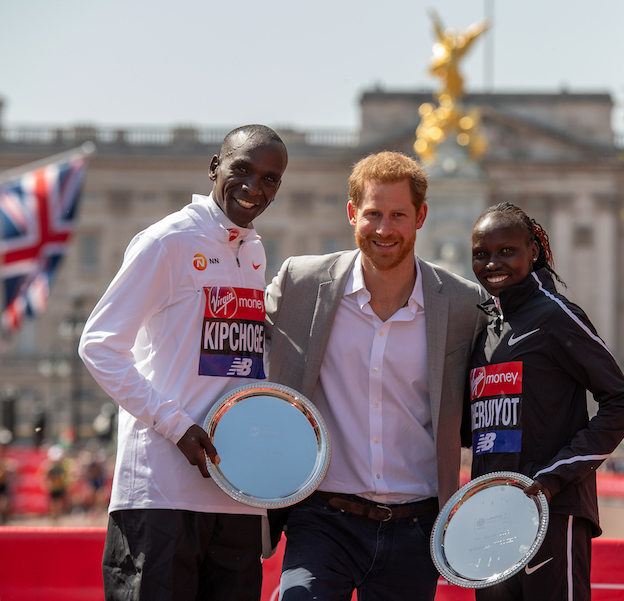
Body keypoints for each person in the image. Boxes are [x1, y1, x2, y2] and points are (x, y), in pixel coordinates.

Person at [265, 151, 487, 601]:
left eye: (398, 215)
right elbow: (234, 339)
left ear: (421, 216)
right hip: (322, 516)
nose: (385, 229)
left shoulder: (465, 304)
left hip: (416, 526)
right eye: (373, 214)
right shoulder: (301, 283)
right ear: (352, 214)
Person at [79, 124, 288, 600]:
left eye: (270, 179)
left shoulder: (253, 251)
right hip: (162, 493)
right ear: (215, 167)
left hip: (238, 492)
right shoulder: (167, 241)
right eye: (242, 169)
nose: (254, 187)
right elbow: (98, 345)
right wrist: (176, 426)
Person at [466, 203, 624, 601]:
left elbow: (620, 401)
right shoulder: (486, 329)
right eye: (481, 253)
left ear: (534, 252)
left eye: (506, 250)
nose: (493, 262)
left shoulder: (557, 315)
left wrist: (553, 476)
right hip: (492, 518)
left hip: (551, 512)